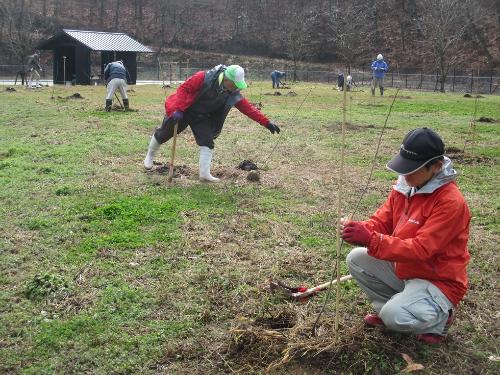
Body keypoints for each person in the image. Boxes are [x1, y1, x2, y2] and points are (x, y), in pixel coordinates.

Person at [343, 127, 471, 345]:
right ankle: (390, 309)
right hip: (406, 270)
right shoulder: (404, 187)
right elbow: (382, 222)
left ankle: (440, 319)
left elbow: (422, 249)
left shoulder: (450, 202)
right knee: (356, 258)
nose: (404, 174)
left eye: (413, 169)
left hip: (438, 280)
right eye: (404, 167)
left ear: (436, 167)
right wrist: (359, 229)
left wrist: (372, 240)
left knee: (396, 316)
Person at [143, 64, 280, 182]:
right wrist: (178, 109)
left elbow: (248, 109)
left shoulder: (232, 92)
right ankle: (149, 156)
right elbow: (184, 89)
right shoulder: (203, 77)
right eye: (235, 85)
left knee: (207, 141)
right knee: (164, 133)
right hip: (185, 109)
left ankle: (204, 174)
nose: (236, 88)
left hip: (202, 116)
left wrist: (266, 123)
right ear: (226, 79)